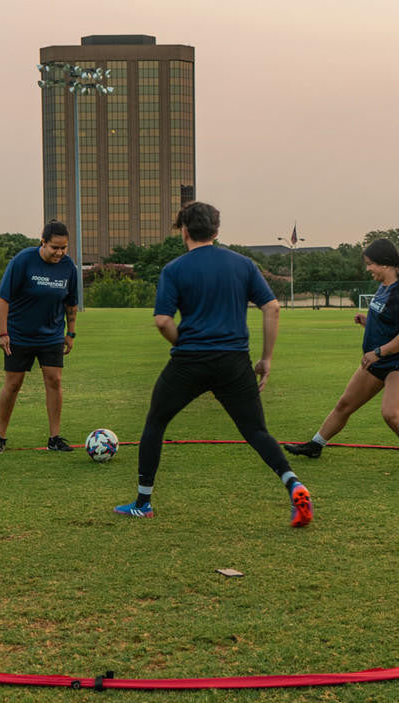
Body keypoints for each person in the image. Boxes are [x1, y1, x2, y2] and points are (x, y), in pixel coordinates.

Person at [115, 201, 313, 527]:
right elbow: (272, 308)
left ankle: (143, 502)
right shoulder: (244, 265)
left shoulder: (174, 269)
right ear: (217, 231)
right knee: (256, 431)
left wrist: (185, 344)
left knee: (156, 423)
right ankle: (293, 483)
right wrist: (266, 358)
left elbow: (163, 321)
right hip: (235, 362)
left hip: (189, 362)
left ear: (183, 231)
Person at [284, 237, 399, 475]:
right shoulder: (384, 286)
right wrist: (368, 322)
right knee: (345, 404)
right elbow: (389, 322)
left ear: (384, 264)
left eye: (370, 264)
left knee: (391, 413)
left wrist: (378, 352)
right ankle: (315, 445)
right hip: (377, 359)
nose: (368, 269)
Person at [0, 220, 79, 452]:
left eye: (64, 248)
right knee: (13, 384)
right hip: (19, 335)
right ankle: (0, 438)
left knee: (54, 381)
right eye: (54, 248)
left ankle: (55, 438)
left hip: (51, 336)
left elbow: (71, 303)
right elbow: (3, 298)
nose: (59, 253)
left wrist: (70, 333)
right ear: (43, 242)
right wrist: (3, 333)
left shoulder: (69, 267)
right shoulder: (23, 261)